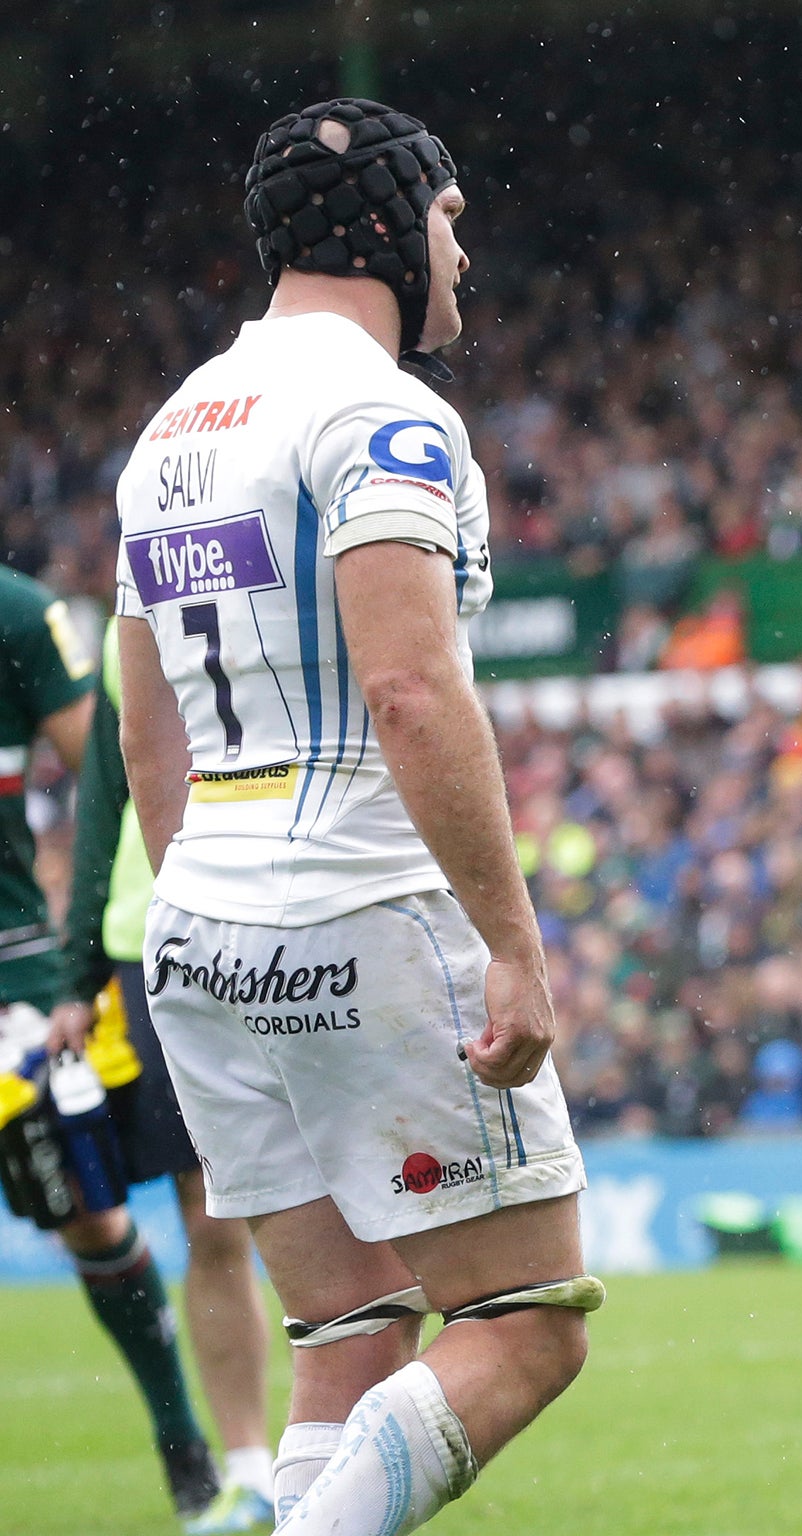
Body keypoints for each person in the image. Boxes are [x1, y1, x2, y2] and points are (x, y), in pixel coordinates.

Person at [114, 99, 597, 1535]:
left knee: (349, 1328)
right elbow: (407, 683)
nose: (466, 258)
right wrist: (511, 944)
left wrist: (209, 919)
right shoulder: (386, 413)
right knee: (526, 1322)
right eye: (452, 222)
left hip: (201, 923)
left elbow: (153, 738)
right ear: (390, 222)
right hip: (358, 901)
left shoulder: (168, 433)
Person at [0, 566, 234, 1528]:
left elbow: (113, 769)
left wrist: (79, 957)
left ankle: (182, 1439)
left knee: (88, 1216)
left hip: (8, 965)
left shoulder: (17, 616)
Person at [46, 623, 276, 1534]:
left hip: (297, 908)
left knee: (336, 1202)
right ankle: (252, 1474)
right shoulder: (131, 606)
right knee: (209, 1218)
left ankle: (349, 1446)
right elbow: (107, 788)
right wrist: (77, 972)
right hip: (160, 940)